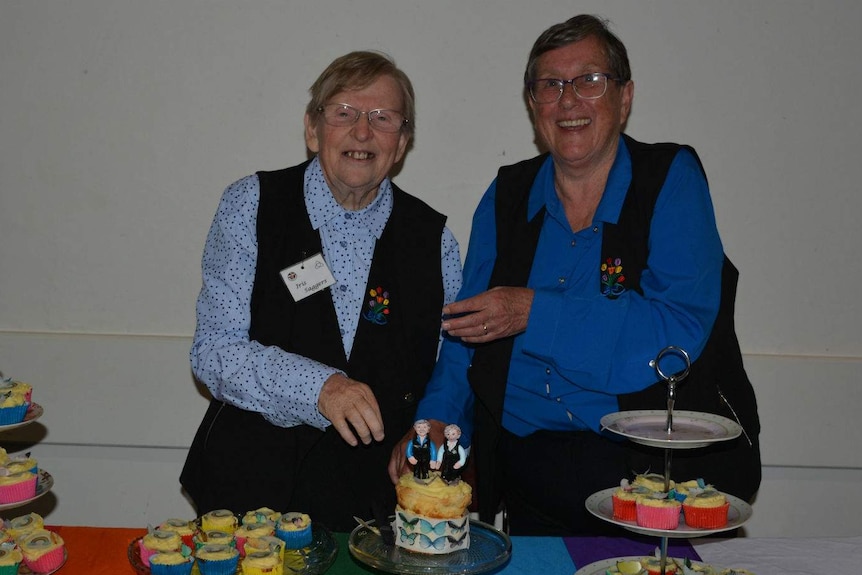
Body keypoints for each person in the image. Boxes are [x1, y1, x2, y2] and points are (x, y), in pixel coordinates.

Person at [388, 15, 760, 535]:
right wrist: (434, 421)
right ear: (532, 104)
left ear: (624, 98)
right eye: (550, 86)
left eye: (589, 81)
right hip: (525, 480)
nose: (568, 101)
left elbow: (672, 333)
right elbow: (465, 336)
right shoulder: (506, 195)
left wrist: (532, 312)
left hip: (647, 488)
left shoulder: (670, 180)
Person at [180, 51, 462, 532]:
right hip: (252, 495)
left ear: (402, 143)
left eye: (382, 118)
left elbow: (451, 368)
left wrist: (434, 428)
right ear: (313, 130)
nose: (362, 131)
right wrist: (321, 387)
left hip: (375, 506)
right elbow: (213, 352)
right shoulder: (251, 205)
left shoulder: (435, 241)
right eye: (344, 113)